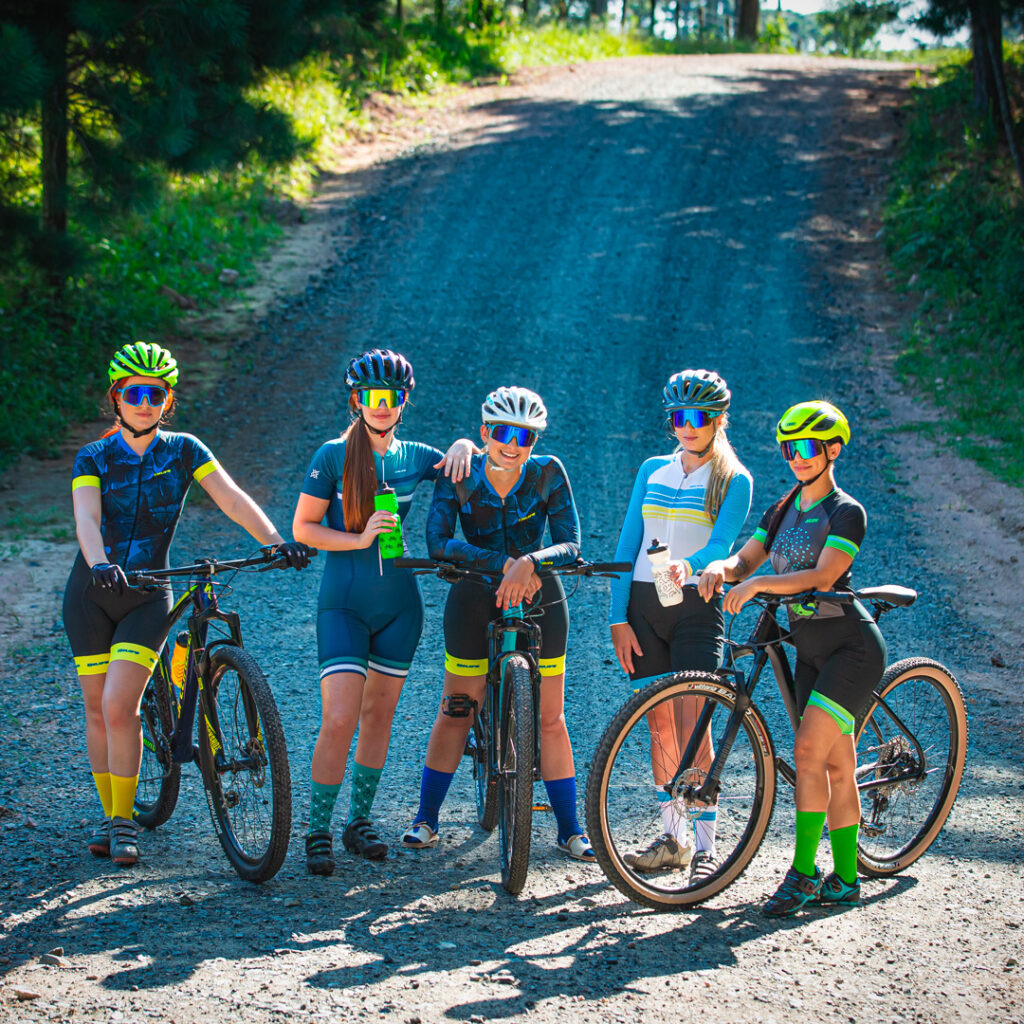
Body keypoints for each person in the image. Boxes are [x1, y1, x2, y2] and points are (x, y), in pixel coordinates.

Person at [64, 342, 309, 867]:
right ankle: (113, 816)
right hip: (93, 591)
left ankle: (124, 824)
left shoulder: (185, 450)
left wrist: (274, 539)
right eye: (135, 393)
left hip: (149, 593)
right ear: (117, 399)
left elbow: (232, 497)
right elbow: (86, 518)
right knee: (97, 710)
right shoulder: (94, 456)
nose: (145, 402)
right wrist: (101, 561)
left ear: (168, 400)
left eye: (157, 393)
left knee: (118, 706)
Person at [292, 349, 475, 874]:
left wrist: (464, 443)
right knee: (341, 717)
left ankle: (359, 822)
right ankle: (317, 828)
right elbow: (304, 528)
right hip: (343, 605)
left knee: (379, 717)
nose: (380, 406)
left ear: (402, 403)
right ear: (356, 400)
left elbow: (464, 467)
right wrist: (358, 538)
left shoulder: (416, 455)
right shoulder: (331, 455)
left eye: (390, 398)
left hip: (400, 608)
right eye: (370, 397)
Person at [699, 400, 885, 915]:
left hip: (851, 647)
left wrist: (759, 583)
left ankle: (804, 872)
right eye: (788, 448)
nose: (796, 457)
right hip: (809, 647)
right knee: (835, 762)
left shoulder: (847, 512)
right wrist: (723, 567)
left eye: (806, 448)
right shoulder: (782, 509)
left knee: (807, 751)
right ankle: (846, 880)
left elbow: (824, 576)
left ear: (832, 450)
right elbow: (747, 558)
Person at [401, 385, 595, 862]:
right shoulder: (461, 471)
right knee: (457, 708)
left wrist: (529, 561)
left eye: (525, 436)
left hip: (538, 590)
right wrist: (502, 563)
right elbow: (438, 541)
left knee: (551, 718)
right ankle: (426, 818)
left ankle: (570, 829)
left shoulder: (549, 473)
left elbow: (571, 544)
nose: (513, 443)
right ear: (485, 432)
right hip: (473, 589)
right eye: (503, 432)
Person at [609, 369, 752, 881]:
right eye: (677, 417)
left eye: (698, 417)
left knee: (696, 725)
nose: (687, 427)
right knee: (658, 721)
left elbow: (721, 547)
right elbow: (628, 546)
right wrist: (616, 617)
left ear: (718, 419)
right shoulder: (652, 468)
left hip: (696, 604)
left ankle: (708, 845)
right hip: (648, 606)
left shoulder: (734, 478)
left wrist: (690, 568)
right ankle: (674, 837)